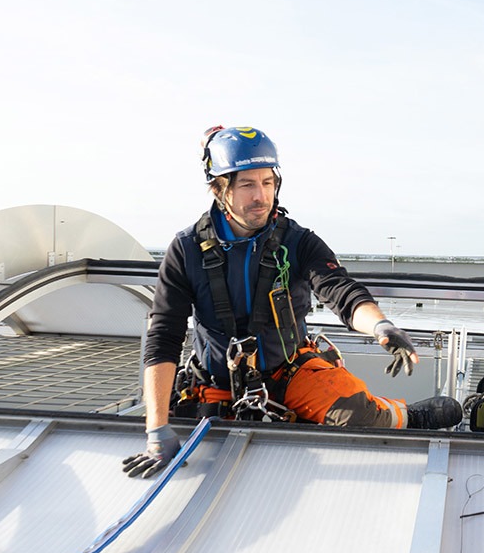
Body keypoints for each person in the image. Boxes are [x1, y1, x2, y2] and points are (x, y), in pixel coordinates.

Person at [123, 126, 462, 479]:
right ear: (219, 190)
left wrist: (380, 325)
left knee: (360, 418)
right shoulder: (187, 250)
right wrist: (157, 430)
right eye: (248, 185)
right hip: (217, 380)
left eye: (268, 183)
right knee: (194, 442)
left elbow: (340, 290)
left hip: (290, 371)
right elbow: (163, 336)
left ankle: (408, 416)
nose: (261, 196)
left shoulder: (298, 243)